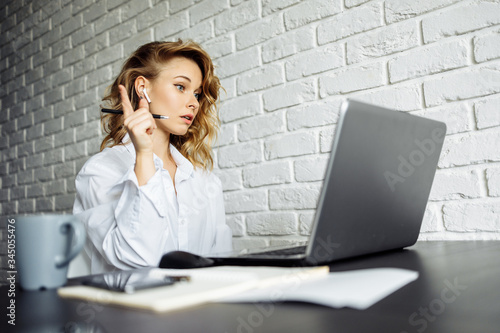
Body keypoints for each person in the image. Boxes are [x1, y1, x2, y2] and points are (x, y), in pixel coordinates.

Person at [73, 40, 232, 274]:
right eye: (180, 87)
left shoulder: (205, 181)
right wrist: (145, 154)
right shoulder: (100, 171)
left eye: (197, 94)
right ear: (142, 88)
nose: (193, 103)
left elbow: (221, 267)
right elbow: (137, 259)